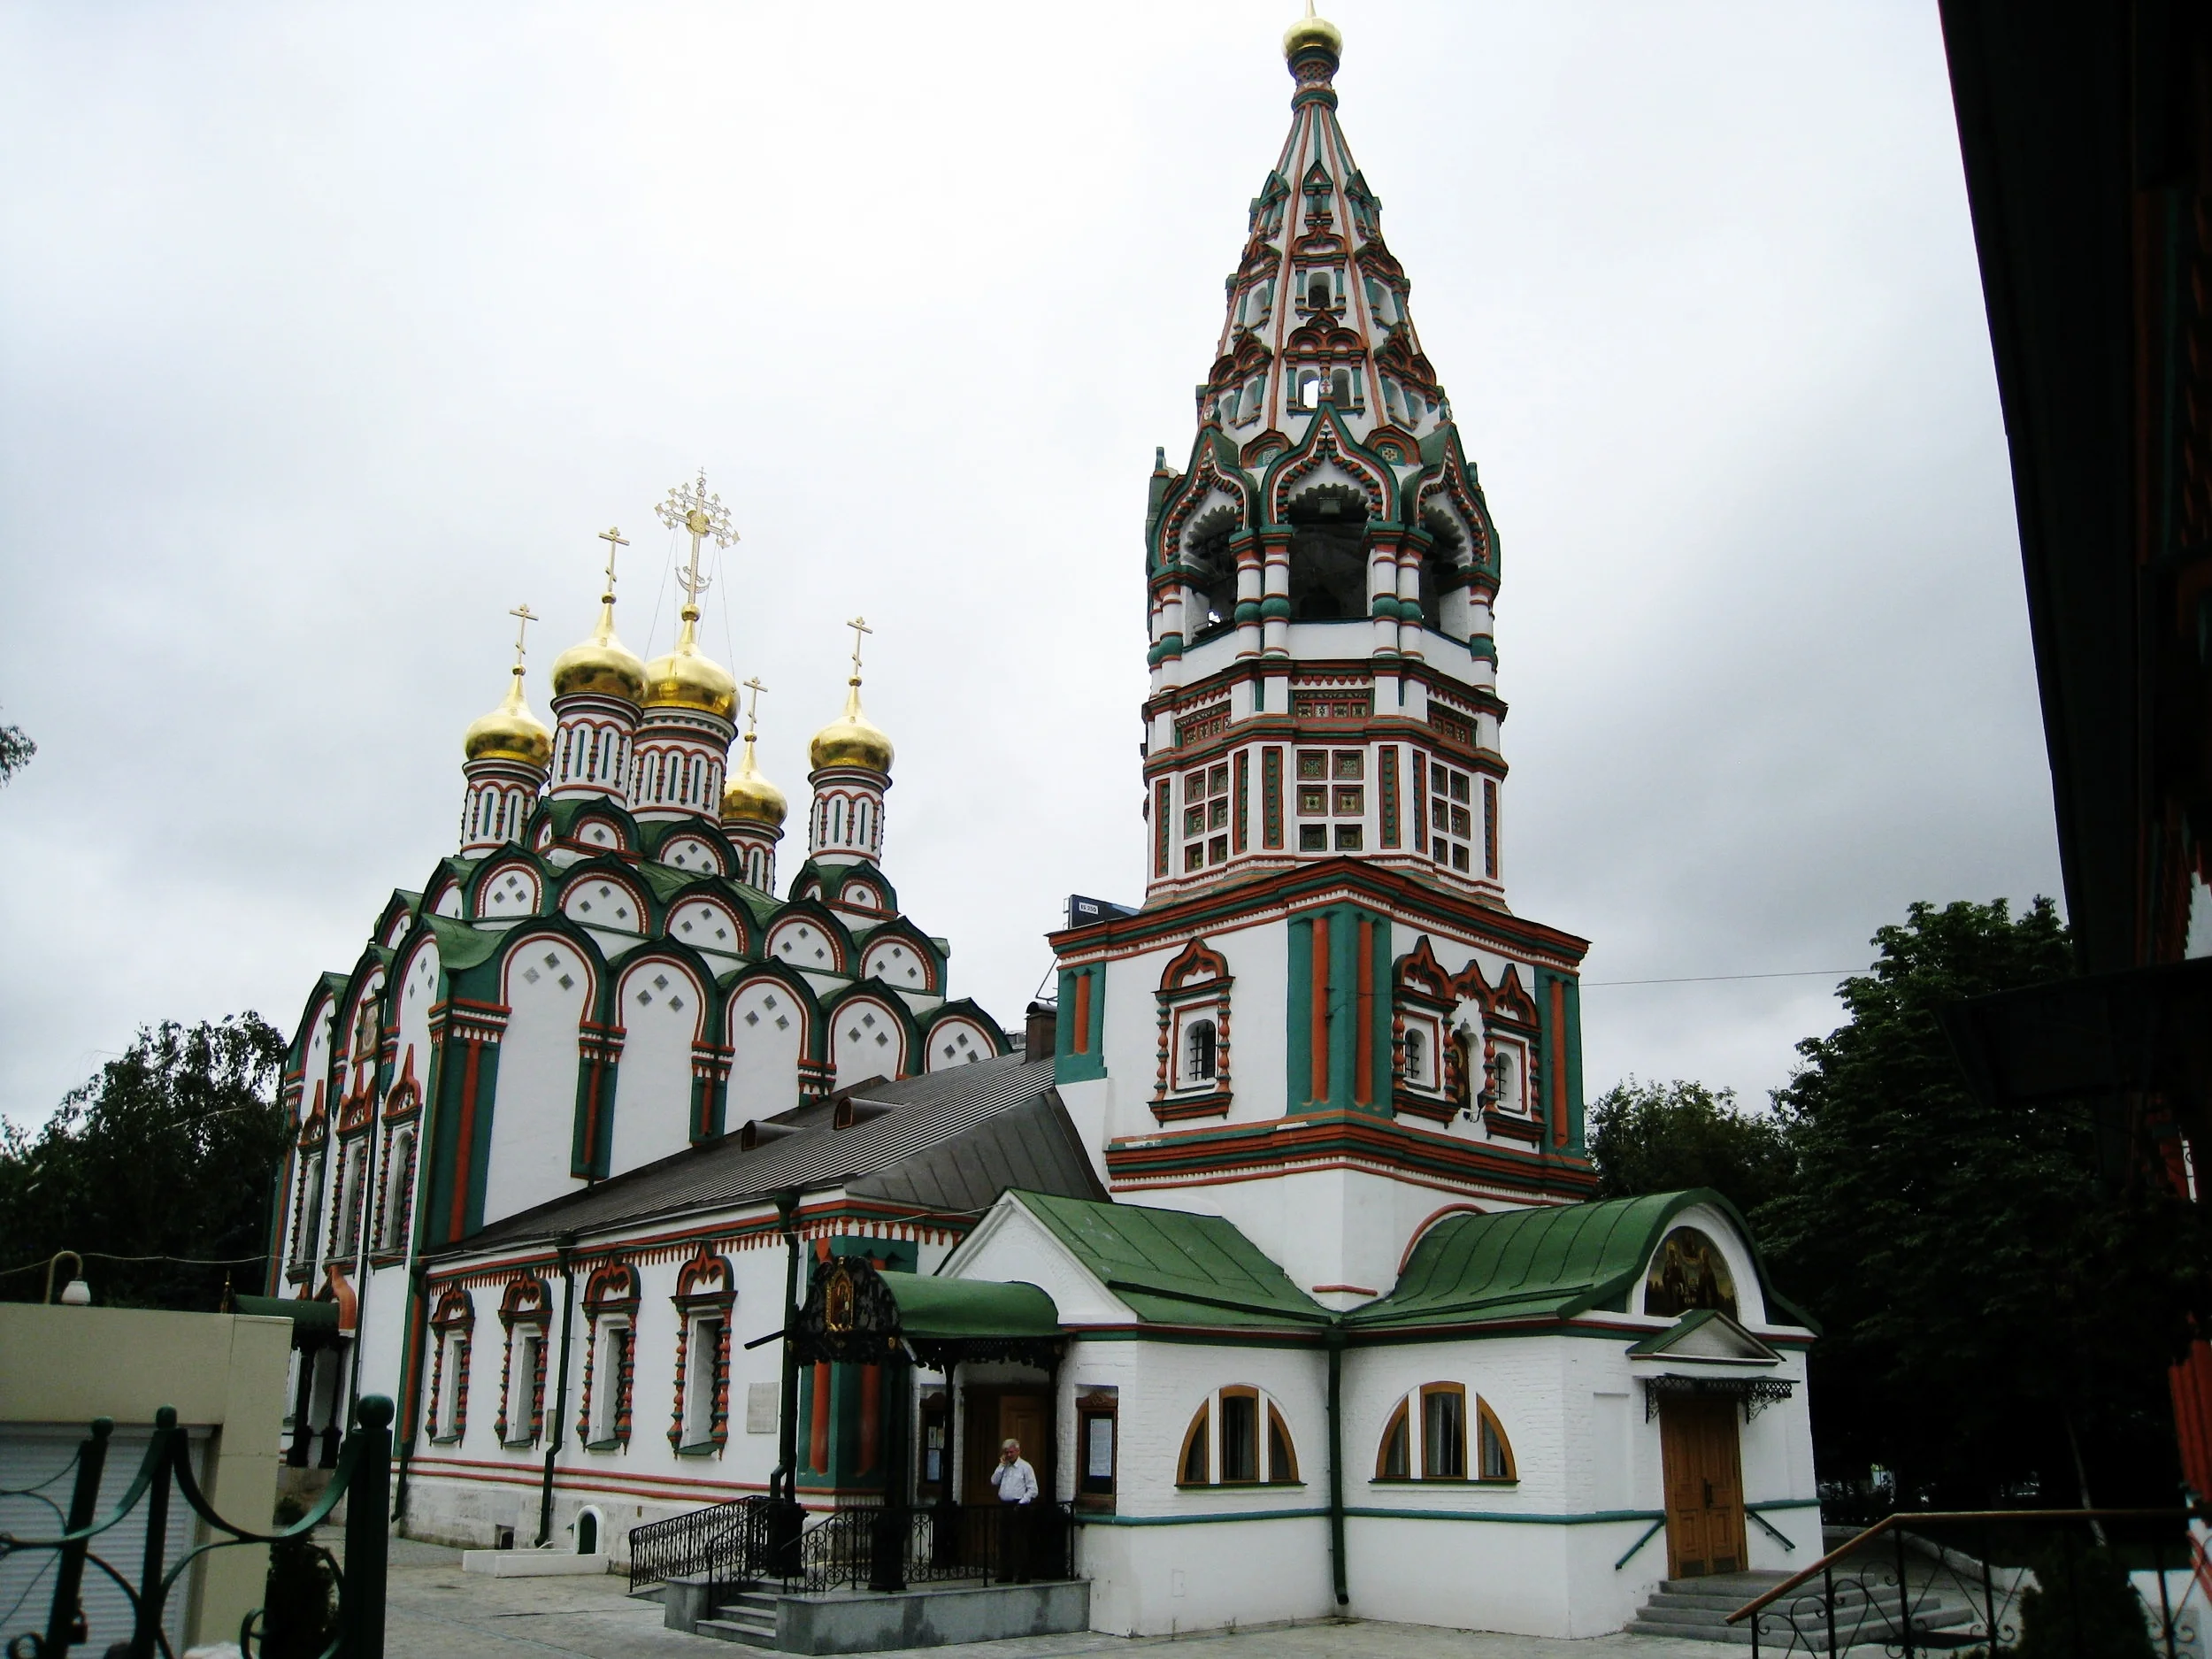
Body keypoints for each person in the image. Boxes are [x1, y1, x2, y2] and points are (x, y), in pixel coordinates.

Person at [988, 1437, 1037, 1582]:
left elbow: (1033, 1489)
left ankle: (1023, 1574)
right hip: (1004, 1505)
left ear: (1018, 1451)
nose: (1009, 1455)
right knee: (1004, 1541)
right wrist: (1001, 1466)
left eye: (1011, 1452)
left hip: (1019, 1506)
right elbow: (994, 1481)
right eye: (1006, 1452)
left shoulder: (1025, 1467)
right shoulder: (1005, 1467)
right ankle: (1006, 1573)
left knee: (1019, 1542)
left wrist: (1022, 1503)